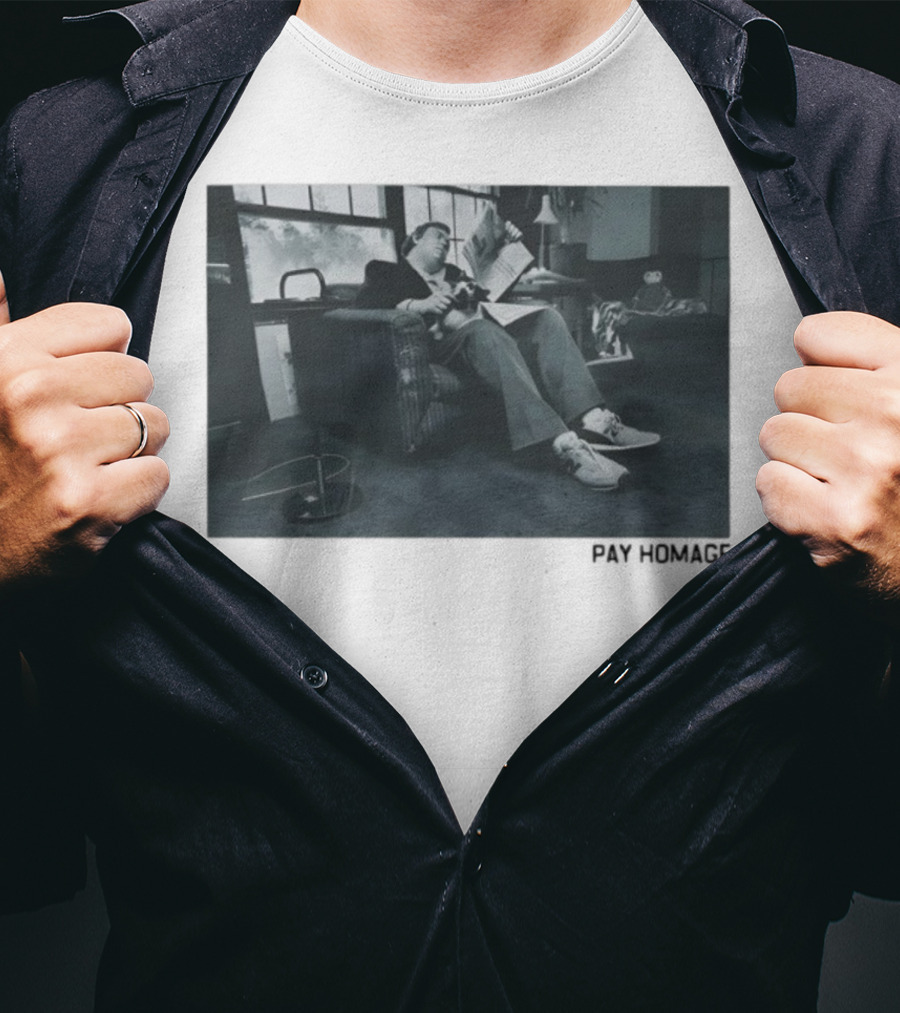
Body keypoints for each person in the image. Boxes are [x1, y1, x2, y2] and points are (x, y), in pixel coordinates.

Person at [1, 0, 900, 1008]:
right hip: (240, 966)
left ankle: (587, 422)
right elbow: (28, 822)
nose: (435, 251)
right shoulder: (64, 149)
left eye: (440, 247)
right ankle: (568, 436)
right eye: (432, 246)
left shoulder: (863, 146)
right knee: (486, 336)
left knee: (530, 323)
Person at [355, 219, 660, 490]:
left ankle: (595, 420)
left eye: (449, 241)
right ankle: (564, 446)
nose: (446, 244)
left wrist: (506, 252)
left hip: (483, 330)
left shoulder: (455, 273)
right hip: (442, 344)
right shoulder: (387, 270)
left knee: (547, 318)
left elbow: (492, 297)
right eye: (438, 236)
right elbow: (364, 305)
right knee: (483, 332)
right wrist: (416, 305)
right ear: (416, 237)